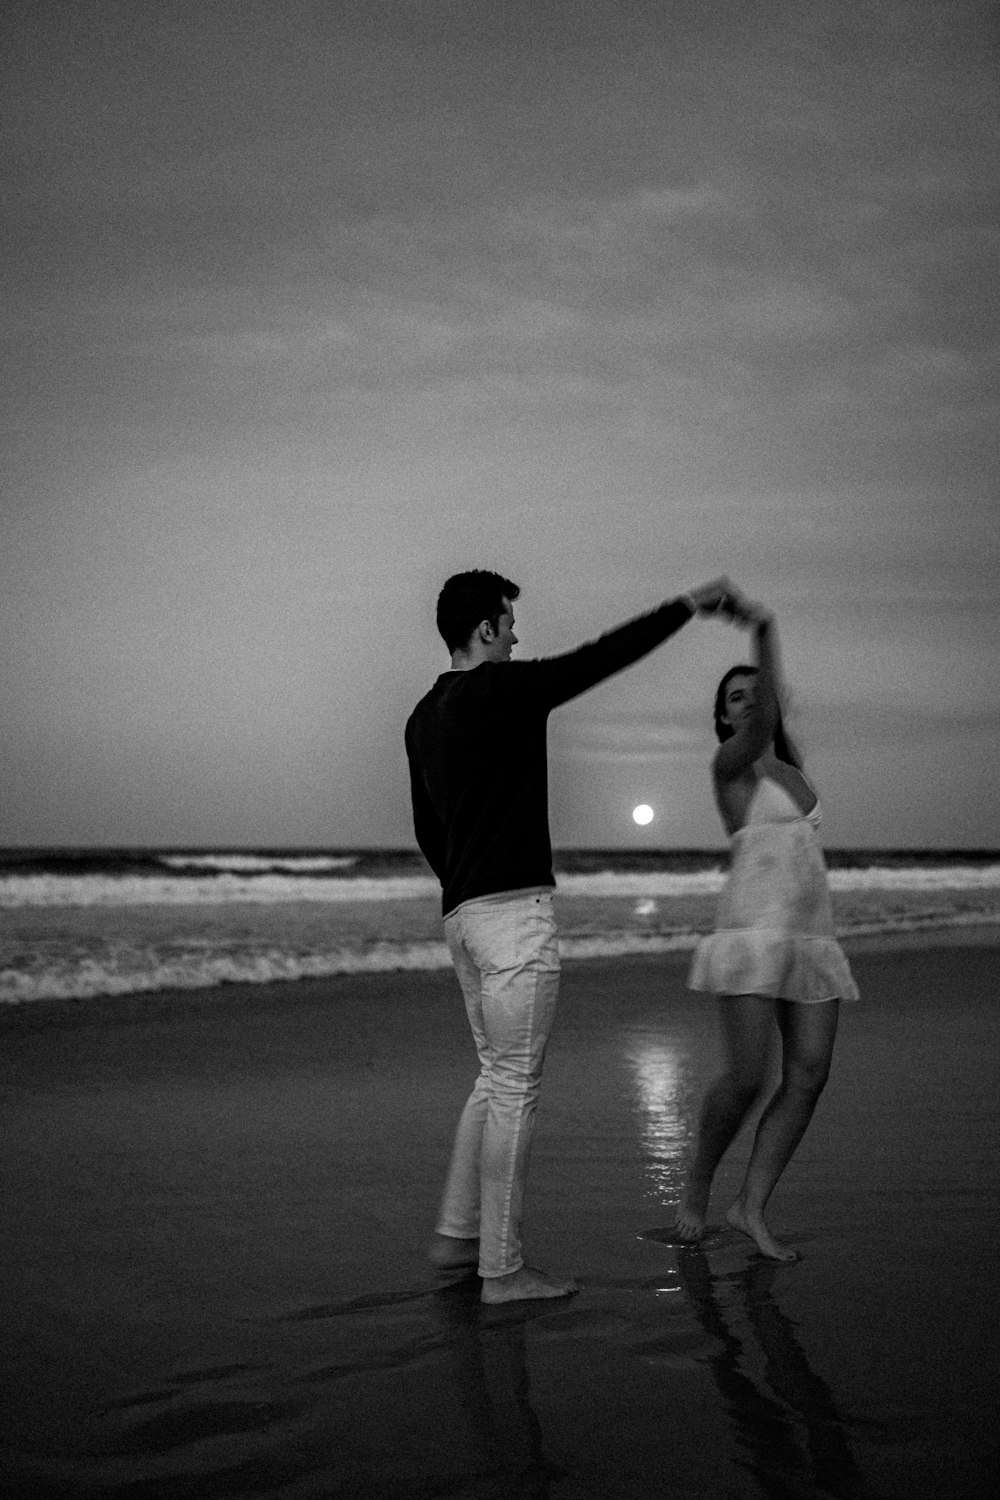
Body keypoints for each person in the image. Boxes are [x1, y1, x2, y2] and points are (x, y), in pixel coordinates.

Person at [406, 568, 740, 1303]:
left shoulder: (422, 716)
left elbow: (428, 828)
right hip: (513, 916)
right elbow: (600, 657)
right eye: (509, 622)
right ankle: (503, 1269)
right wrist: (686, 604)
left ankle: (457, 1239)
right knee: (515, 1090)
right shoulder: (506, 689)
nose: (518, 635)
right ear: (486, 628)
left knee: (492, 1081)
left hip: (463, 917)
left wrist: (463, 884)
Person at [677, 601, 859, 1261]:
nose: (748, 702)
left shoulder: (795, 771)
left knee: (809, 1074)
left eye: (756, 692)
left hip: (811, 939)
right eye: (735, 698)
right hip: (751, 936)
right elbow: (762, 730)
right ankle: (698, 1183)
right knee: (748, 1078)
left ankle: (749, 1204)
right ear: (724, 717)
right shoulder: (733, 766)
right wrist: (763, 629)